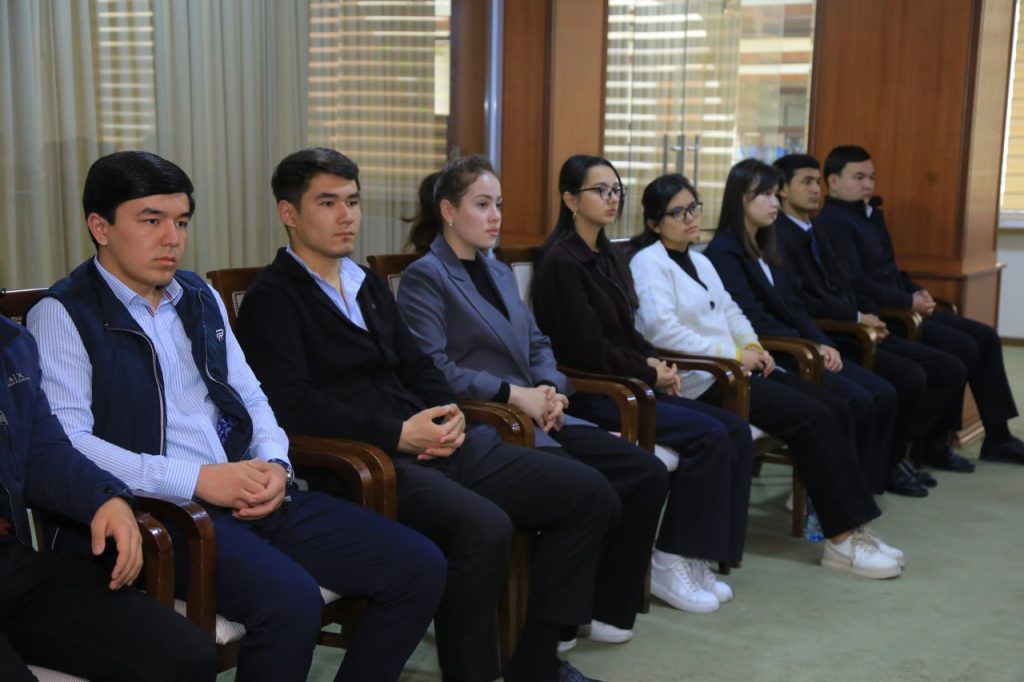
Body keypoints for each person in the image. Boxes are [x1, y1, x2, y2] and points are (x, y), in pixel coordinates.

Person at [25, 150, 446, 682]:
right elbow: (68, 446)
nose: (172, 238)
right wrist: (197, 479)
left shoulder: (196, 295)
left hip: (245, 490)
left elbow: (252, 395)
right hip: (160, 514)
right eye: (151, 221)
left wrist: (275, 463)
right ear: (100, 226)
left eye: (181, 222)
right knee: (291, 601)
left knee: (419, 566)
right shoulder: (63, 314)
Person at [235, 147, 617, 682]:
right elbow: (292, 404)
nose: (346, 216)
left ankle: (536, 663)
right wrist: (398, 434)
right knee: (484, 528)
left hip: (434, 440)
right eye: (328, 203)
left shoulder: (364, 283)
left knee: (588, 494)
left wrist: (447, 413)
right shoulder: (273, 298)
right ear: (289, 213)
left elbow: (419, 365)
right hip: (366, 464)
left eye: (353, 201)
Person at [396, 156, 668, 649]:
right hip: (493, 424)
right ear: (449, 212)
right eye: (482, 205)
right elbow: (432, 368)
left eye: (499, 205)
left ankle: (603, 609)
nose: (495, 216)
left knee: (644, 473)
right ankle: (549, 626)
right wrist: (512, 394)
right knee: (590, 491)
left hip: (538, 412)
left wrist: (549, 387)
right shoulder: (426, 276)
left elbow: (538, 342)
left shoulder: (498, 271)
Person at [629, 171, 905, 578]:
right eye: (677, 212)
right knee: (813, 418)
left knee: (832, 405)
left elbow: (731, 311)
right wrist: (734, 355)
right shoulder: (648, 263)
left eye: (694, 208)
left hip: (735, 371)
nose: (690, 218)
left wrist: (752, 345)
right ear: (654, 222)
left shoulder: (700, 260)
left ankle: (855, 525)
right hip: (701, 381)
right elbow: (662, 332)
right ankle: (842, 542)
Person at [531, 153, 755, 610]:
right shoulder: (561, 262)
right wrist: (648, 371)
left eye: (616, 190)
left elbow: (627, 332)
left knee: (733, 429)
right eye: (600, 191)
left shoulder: (610, 254)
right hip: (595, 393)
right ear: (570, 200)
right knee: (710, 436)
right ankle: (669, 558)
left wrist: (655, 361)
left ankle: (696, 553)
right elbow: (586, 350)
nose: (611, 199)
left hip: (629, 381)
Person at [0, 314, 217, 682]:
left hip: (11, 563)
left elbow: (43, 453)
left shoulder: (12, 343)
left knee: (186, 656)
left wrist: (106, 498)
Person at [816, 144, 1024, 467]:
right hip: (884, 314)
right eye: (859, 177)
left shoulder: (869, 214)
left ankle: (998, 435)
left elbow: (890, 269)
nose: (868, 184)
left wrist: (917, 292)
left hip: (903, 305)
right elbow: (856, 283)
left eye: (871, 177)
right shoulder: (833, 223)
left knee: (984, 336)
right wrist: (906, 300)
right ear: (833, 181)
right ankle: (931, 443)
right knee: (961, 347)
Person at [703, 159, 900, 499]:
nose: (774, 203)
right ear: (740, 200)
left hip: (799, 346)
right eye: (765, 195)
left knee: (880, 392)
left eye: (775, 194)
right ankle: (829, 494)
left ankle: (864, 487)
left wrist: (822, 343)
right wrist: (810, 347)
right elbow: (753, 318)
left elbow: (794, 306)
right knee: (853, 400)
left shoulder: (768, 244)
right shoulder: (724, 251)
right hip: (776, 352)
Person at [773, 153, 966, 494]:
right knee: (908, 378)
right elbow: (801, 301)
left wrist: (870, 313)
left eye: (817, 181)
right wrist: (857, 319)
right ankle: (887, 465)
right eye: (807, 182)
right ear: (783, 190)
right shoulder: (778, 237)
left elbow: (848, 282)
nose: (816, 189)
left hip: (857, 326)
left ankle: (896, 457)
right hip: (831, 333)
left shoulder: (816, 229)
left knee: (940, 367)